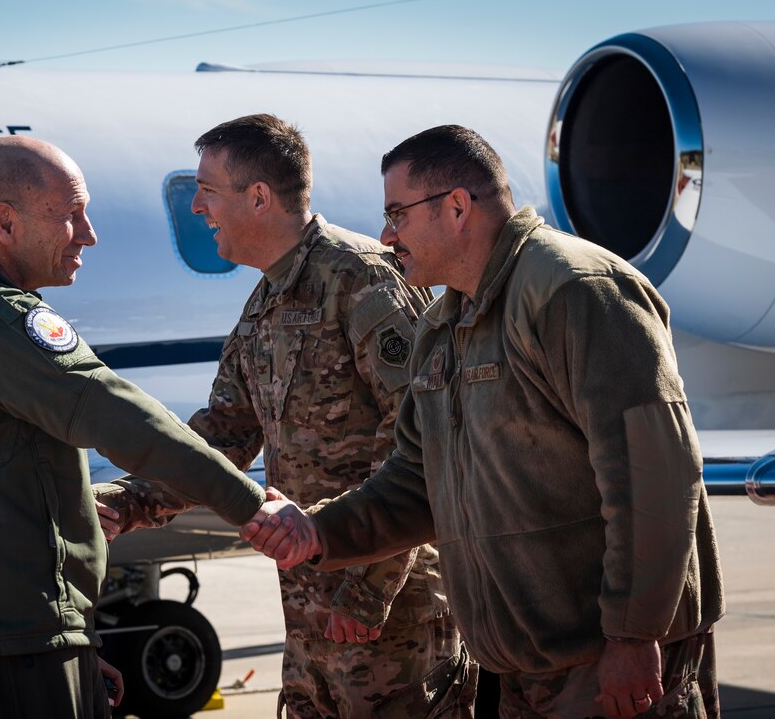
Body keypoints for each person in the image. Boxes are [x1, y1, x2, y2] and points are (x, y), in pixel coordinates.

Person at [242, 125, 725, 719]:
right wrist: (318, 531)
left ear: (457, 207)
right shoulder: (444, 322)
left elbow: (653, 475)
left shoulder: (574, 289)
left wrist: (633, 634)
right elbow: (418, 481)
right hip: (519, 672)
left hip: (607, 668)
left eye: (398, 214)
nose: (387, 236)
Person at [94, 114, 476, 718]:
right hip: (309, 610)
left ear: (259, 197)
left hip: (387, 612)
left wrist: (368, 593)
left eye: (208, 190)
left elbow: (425, 443)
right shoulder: (263, 304)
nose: (197, 207)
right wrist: (126, 502)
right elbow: (221, 438)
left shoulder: (362, 280)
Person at [0, 135, 282, 719]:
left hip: (20, 636)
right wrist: (250, 504)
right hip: (12, 640)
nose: (89, 233)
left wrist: (77, 635)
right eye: (70, 215)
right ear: (5, 222)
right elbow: (119, 414)